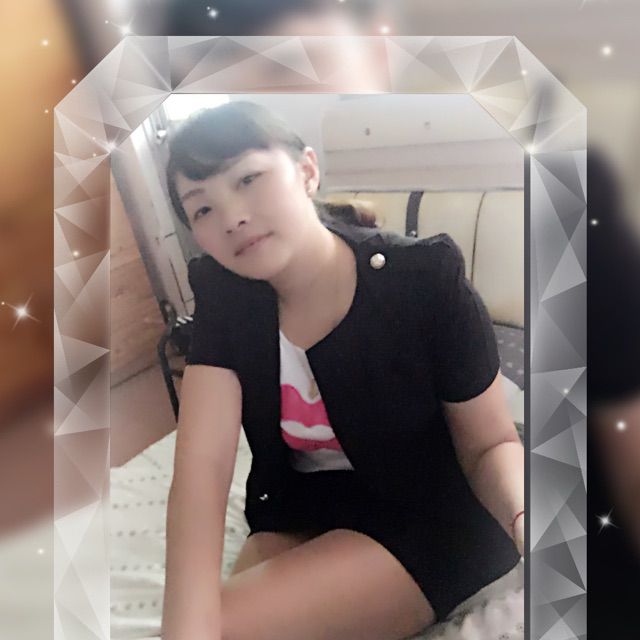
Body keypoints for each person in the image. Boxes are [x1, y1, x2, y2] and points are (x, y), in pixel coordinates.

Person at [160, 100, 524, 640]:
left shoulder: (423, 281)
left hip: (426, 509)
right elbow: (201, 471)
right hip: (301, 508)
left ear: (307, 170)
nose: (231, 217)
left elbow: (489, 444)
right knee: (202, 625)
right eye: (202, 209)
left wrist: (524, 519)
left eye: (248, 179)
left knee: (228, 628)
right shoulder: (227, 297)